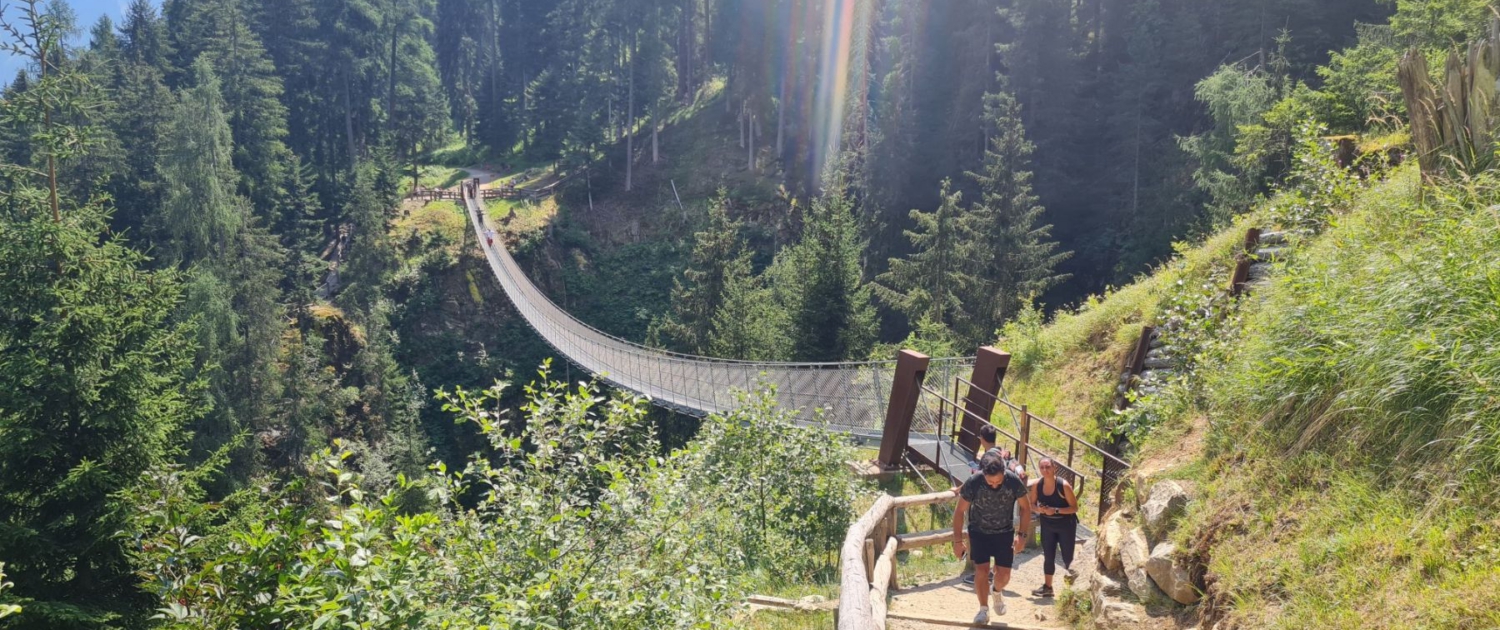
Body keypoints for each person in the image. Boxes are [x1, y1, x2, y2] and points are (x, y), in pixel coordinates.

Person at [953, 451, 1033, 624]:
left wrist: (1022, 535)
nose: (995, 485)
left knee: (1004, 575)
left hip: (1004, 533)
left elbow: (1026, 508)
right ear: (984, 475)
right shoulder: (974, 482)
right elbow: (959, 511)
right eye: (991, 482)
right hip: (979, 532)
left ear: (1004, 473)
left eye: (998, 481)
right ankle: (983, 609)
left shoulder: (1012, 481)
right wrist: (958, 542)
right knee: (981, 570)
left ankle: (996, 591)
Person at [1028, 457, 1079, 598]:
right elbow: (1031, 504)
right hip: (1047, 524)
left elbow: (1074, 508)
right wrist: (1041, 510)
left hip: (1065, 525)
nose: (1045, 470)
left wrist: (1055, 510)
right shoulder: (1037, 485)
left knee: (1068, 557)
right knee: (1048, 556)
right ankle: (1048, 587)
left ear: (1054, 467)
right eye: (1042, 468)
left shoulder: (1063, 485)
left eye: (1048, 467)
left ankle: (1074, 591)